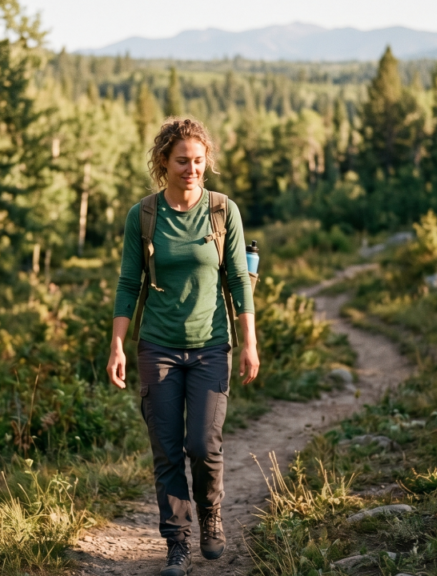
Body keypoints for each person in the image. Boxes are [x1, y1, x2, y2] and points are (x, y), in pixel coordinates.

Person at [107, 117, 260, 576]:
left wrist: (249, 341)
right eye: (181, 162)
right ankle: (177, 542)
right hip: (157, 348)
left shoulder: (221, 211)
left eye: (198, 161)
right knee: (167, 449)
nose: (191, 169)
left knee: (203, 445)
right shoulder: (144, 215)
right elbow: (127, 284)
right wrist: (117, 345)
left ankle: (210, 513)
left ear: (205, 161)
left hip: (213, 345)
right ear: (163, 162)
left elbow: (237, 279)